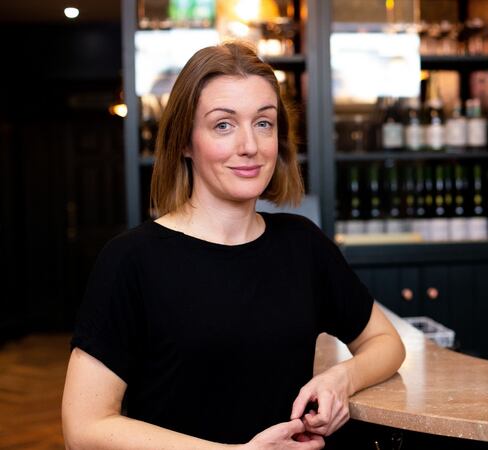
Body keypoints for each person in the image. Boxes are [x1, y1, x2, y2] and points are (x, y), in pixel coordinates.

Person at [61, 41, 405, 449]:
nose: (250, 146)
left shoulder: (303, 245)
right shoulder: (131, 260)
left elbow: (386, 344)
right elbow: (83, 428)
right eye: (223, 125)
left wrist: (339, 379)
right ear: (186, 142)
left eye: (264, 123)